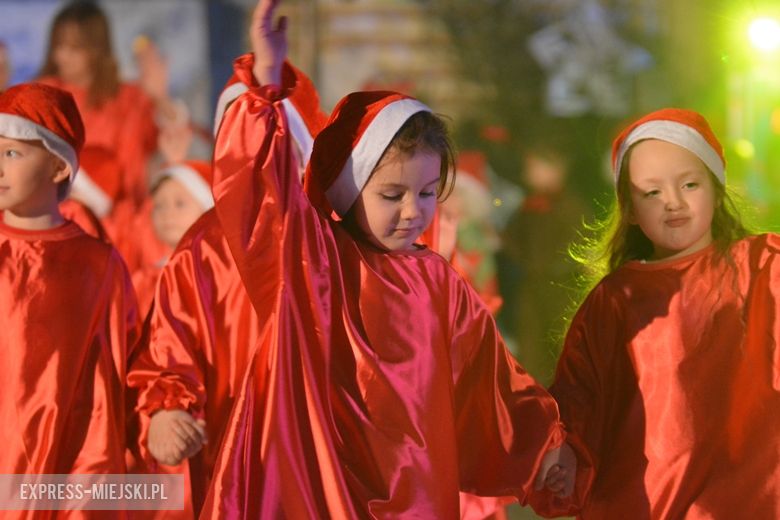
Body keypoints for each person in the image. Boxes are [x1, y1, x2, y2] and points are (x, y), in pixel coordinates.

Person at [199, 1, 574, 517]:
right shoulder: (313, 263)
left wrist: (544, 446)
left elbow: (490, 381)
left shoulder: (438, 281)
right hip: (321, 490)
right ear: (351, 189)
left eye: (426, 192)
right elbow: (261, 186)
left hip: (415, 496)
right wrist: (265, 78)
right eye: (392, 194)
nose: (413, 211)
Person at [529, 108, 780, 518]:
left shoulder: (766, 268)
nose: (673, 202)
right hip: (645, 506)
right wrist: (564, 456)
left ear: (717, 190)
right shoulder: (616, 299)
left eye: (689, 184)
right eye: (652, 193)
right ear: (629, 209)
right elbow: (581, 400)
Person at [126, 58, 327, 519]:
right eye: (239, 138)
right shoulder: (203, 244)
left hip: (317, 454)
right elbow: (171, 340)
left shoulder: (328, 238)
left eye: (268, 140)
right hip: (228, 448)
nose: (252, 155)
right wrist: (166, 408)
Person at [0, 83, 139, 479]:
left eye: (11, 153)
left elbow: (119, 369)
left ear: (59, 167)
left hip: (67, 468)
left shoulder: (96, 265)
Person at [37, 0, 183, 211]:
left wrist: (161, 98)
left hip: (125, 220)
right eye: (58, 46)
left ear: (96, 49)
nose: (62, 56)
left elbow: (172, 140)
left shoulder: (130, 98)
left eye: (74, 48)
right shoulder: (42, 95)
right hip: (60, 216)